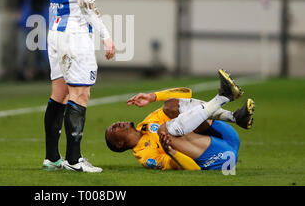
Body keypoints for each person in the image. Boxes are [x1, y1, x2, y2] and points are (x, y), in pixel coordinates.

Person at [43, 0, 116, 173]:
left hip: (56, 31)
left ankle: (52, 158)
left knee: (60, 94)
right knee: (81, 94)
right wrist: (106, 35)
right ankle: (74, 160)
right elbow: (85, 3)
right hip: (74, 33)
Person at [105, 70, 255, 171]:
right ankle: (223, 97)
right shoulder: (146, 156)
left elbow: (185, 93)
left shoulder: (148, 122)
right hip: (219, 158)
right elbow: (192, 168)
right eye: (113, 129)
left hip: (226, 136)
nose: (116, 123)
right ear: (119, 144)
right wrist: (170, 151)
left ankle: (234, 117)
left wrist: (153, 97)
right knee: (165, 131)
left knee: (169, 107)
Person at [17, 0, 50, 80]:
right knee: (42, 46)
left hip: (29, 16)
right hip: (41, 17)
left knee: (28, 45)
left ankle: (25, 71)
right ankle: (41, 70)